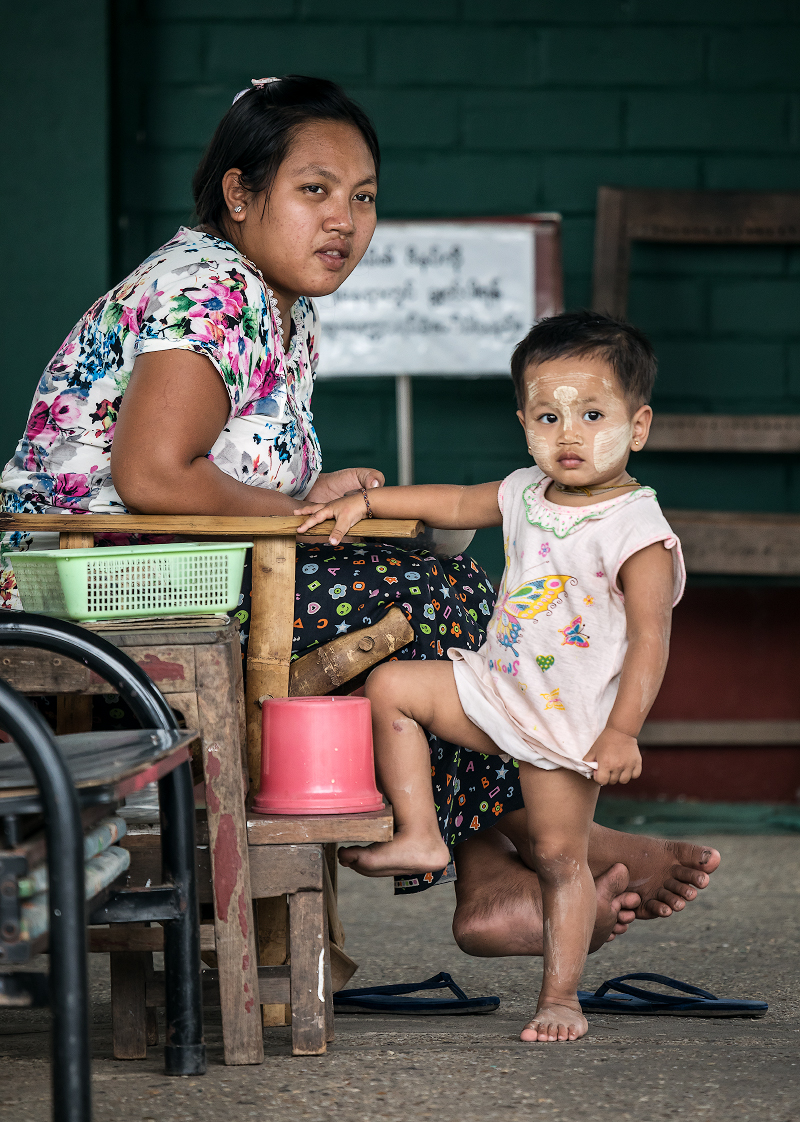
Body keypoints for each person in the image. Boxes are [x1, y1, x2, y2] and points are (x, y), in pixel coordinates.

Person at [0, 78, 718, 959]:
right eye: (314, 189)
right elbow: (152, 473)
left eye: (364, 197)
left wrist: (318, 491)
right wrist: (301, 509)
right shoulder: (211, 287)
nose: (344, 219)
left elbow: (220, 466)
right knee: (430, 604)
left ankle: (508, 852)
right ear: (239, 193)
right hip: (101, 579)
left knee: (449, 590)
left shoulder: (277, 302)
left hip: (189, 561)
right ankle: (531, 844)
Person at [297, 311, 692, 1043]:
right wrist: (366, 503)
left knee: (556, 858)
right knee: (391, 686)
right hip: (493, 689)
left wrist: (623, 730)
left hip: (563, 724)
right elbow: (451, 503)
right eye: (548, 415)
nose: (568, 434)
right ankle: (421, 836)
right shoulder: (524, 492)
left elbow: (649, 641)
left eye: (592, 414)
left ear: (638, 427)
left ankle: (561, 999)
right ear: (523, 421)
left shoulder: (638, 531)